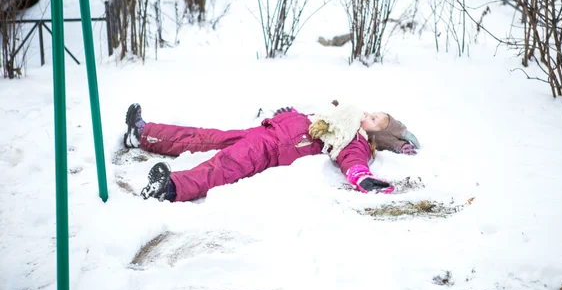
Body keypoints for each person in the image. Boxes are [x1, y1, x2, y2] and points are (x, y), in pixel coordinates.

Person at [122, 102, 420, 202]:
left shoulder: (354, 138)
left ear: (377, 134)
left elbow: (353, 161)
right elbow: (312, 123)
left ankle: (171, 188)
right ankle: (143, 134)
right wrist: (290, 113)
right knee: (201, 138)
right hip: (266, 131)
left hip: (271, 148)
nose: (368, 114)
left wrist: (363, 179)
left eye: (375, 119)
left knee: (225, 165)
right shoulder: (341, 119)